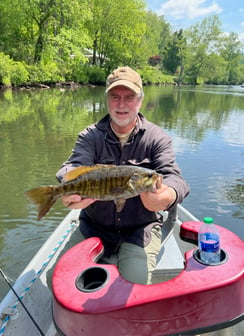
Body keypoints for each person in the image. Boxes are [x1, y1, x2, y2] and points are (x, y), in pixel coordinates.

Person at [55, 66, 189, 285]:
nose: (121, 104)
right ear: (107, 99)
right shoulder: (90, 136)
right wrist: (70, 189)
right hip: (94, 227)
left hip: (140, 230)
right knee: (61, 280)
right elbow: (72, 167)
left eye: (129, 97)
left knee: (135, 282)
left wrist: (167, 196)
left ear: (140, 100)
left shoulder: (157, 138)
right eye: (115, 96)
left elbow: (175, 178)